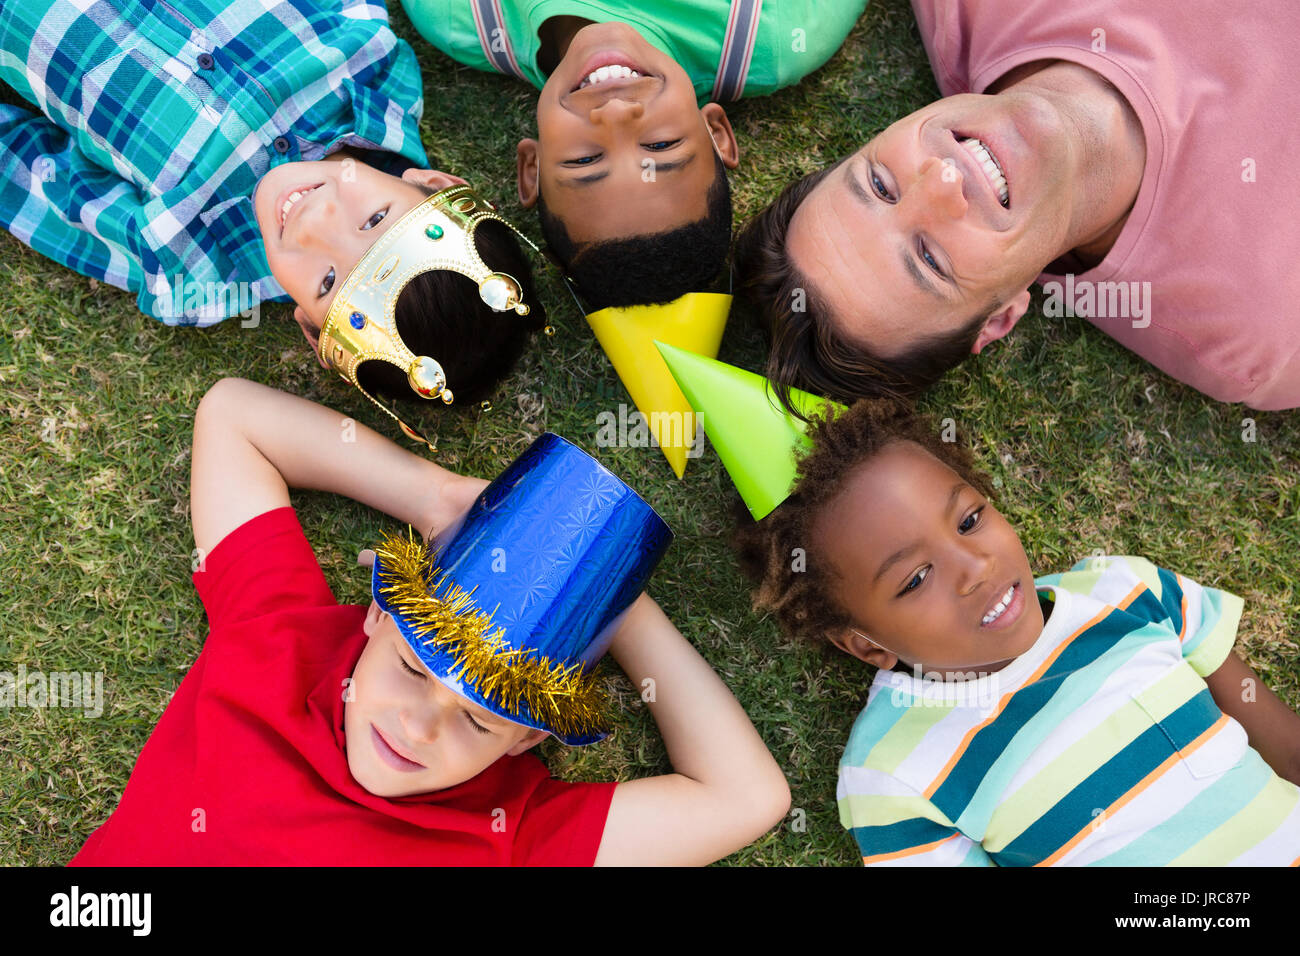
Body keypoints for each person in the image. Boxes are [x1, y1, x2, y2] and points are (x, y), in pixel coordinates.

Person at [70, 377, 790, 865]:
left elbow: (746, 797)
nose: (418, 728)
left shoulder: (514, 833)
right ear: (379, 615)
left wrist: (620, 603)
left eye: (480, 721)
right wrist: (439, 497)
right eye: (414, 666)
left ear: (528, 740)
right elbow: (233, 416)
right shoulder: (278, 636)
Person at [733, 399, 1300, 865]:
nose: (975, 566)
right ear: (867, 644)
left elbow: (1286, 745)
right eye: (916, 578)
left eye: (970, 520)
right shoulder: (893, 773)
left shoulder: (1128, 593)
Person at [735, 0, 1300, 411]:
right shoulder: (1257, 327)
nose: (942, 181)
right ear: (1001, 316)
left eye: (882, 184)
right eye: (930, 259)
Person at [0, 0, 545, 411]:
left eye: (328, 281)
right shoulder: (370, 64)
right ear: (430, 182)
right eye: (375, 219)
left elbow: (36, 180)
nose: (316, 225)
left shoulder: (189, 263)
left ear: (310, 328)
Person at [400, 1, 868, 308]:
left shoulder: (460, 17)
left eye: (585, 161)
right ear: (715, 131)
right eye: (661, 146)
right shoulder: (773, 33)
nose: (617, 112)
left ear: (532, 167)